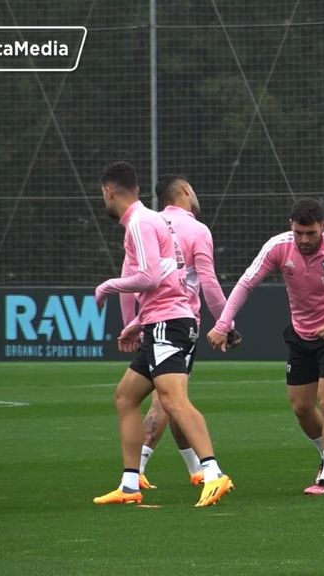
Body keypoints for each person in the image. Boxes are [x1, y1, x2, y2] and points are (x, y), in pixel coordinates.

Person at [208, 197, 324, 495]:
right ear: (291, 227)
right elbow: (246, 284)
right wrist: (223, 324)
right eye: (299, 232)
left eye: (311, 233)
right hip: (300, 335)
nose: (304, 239)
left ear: (323, 227)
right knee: (301, 407)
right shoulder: (278, 246)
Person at [92, 161, 232, 507]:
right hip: (163, 321)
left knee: (173, 401)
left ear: (108, 192)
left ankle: (214, 475)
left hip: (170, 324)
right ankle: (129, 485)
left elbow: (150, 278)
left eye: (103, 195)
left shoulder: (140, 222)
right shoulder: (152, 220)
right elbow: (170, 276)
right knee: (125, 397)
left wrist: (106, 286)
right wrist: (137, 323)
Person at [124, 174, 240, 490]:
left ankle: (151, 475)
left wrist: (132, 322)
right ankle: (149, 471)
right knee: (169, 400)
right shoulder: (197, 230)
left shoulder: (147, 224)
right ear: (186, 190)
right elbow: (210, 283)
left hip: (152, 321)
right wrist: (225, 323)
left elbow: (129, 278)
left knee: (163, 398)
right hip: (179, 323)